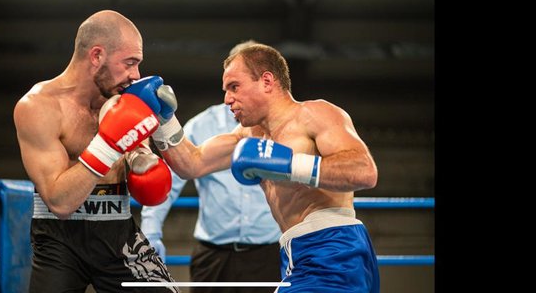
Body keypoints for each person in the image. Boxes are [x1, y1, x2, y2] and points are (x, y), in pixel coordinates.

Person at [127, 43, 380, 292]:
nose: (227, 99)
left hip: (335, 248)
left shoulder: (314, 114)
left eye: (234, 87)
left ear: (267, 81)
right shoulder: (249, 136)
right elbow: (191, 163)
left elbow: (364, 171)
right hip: (296, 254)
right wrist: (163, 119)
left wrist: (290, 165)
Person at [13, 10, 178, 292]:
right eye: (129, 63)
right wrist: (108, 144)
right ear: (96, 56)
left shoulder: (124, 98)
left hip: (118, 232)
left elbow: (146, 167)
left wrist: (143, 161)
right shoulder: (38, 107)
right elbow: (59, 202)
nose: (135, 75)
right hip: (57, 240)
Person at [140, 40, 282, 293]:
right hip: (214, 254)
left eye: (237, 85)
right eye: (230, 85)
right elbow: (175, 176)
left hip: (269, 252)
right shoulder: (203, 125)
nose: (231, 94)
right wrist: (150, 231)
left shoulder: (286, 126)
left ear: (264, 81)